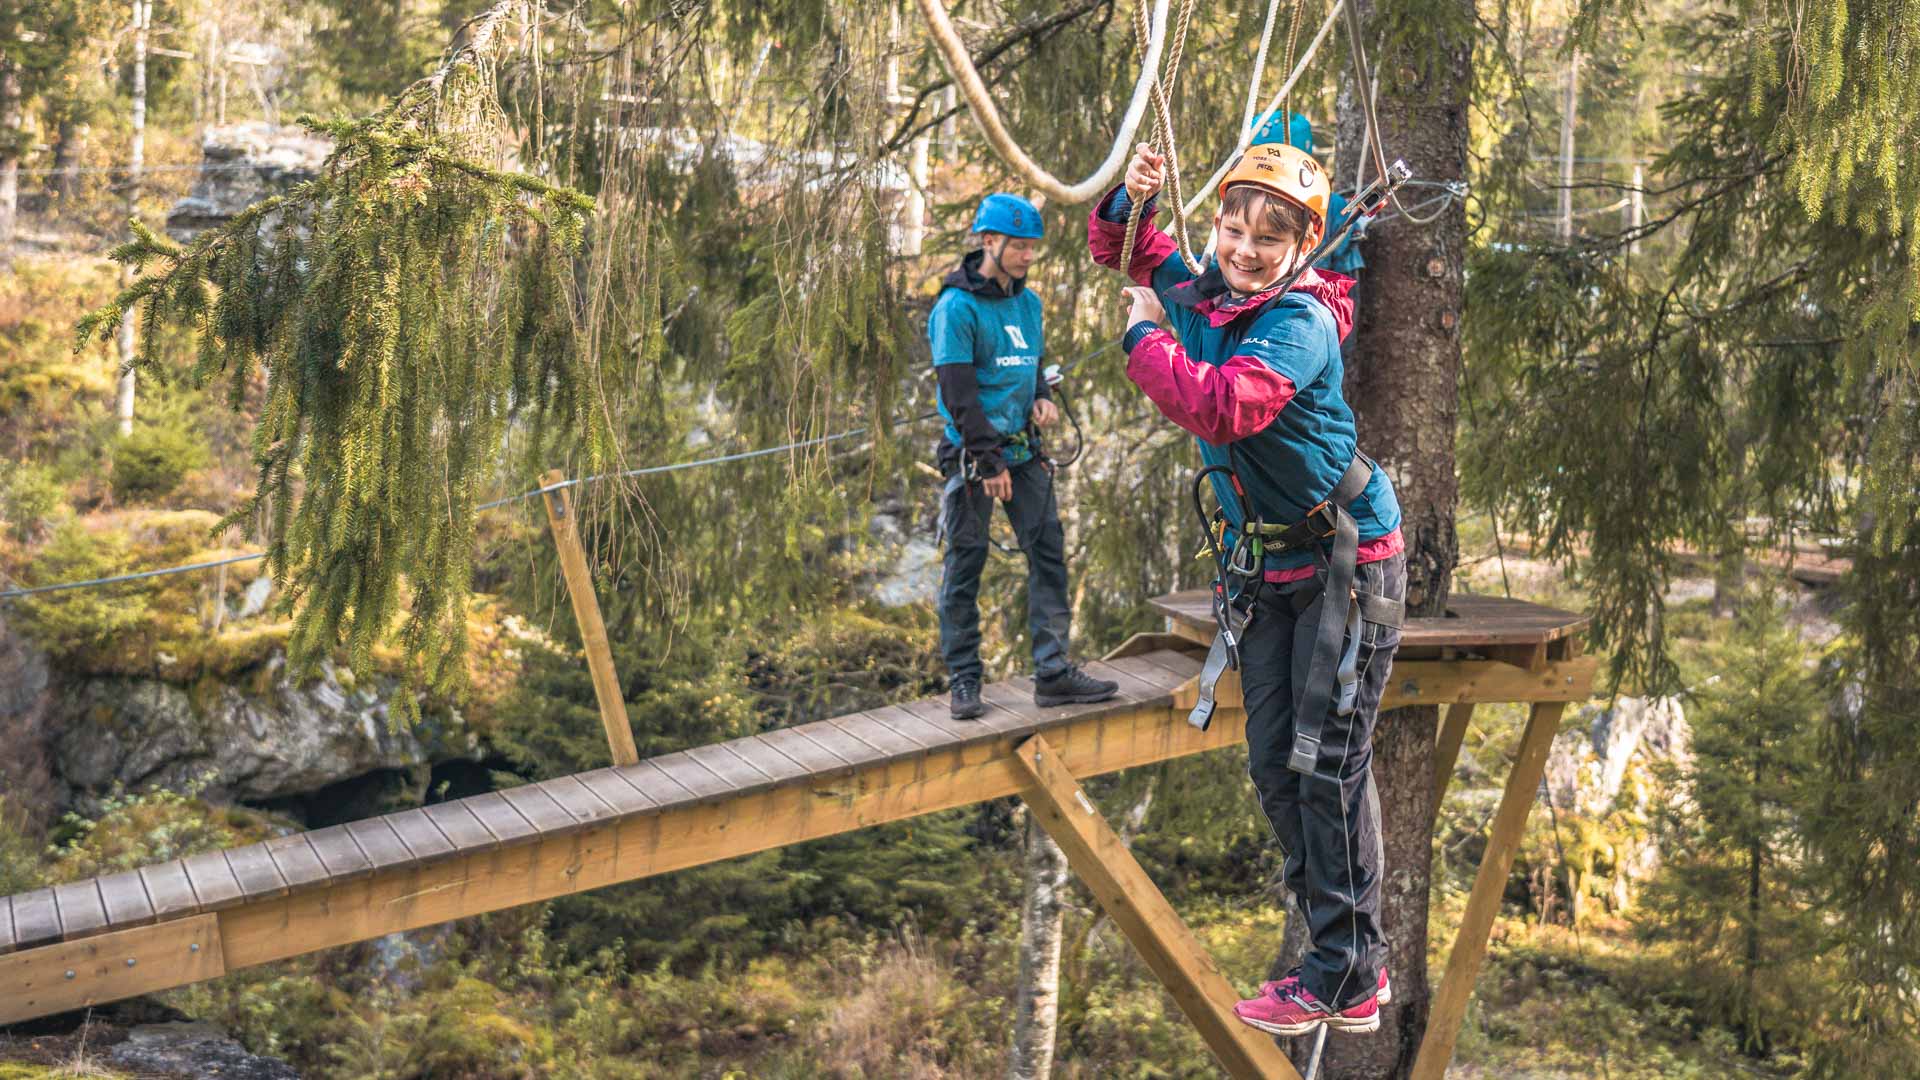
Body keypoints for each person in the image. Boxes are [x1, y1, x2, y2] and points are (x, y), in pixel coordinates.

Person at [1088, 143, 1407, 1037]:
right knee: (1275, 764)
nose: (1245, 248)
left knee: (1327, 761)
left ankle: (1345, 969)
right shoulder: (1211, 295)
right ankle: (1344, 961)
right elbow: (1122, 246)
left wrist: (1143, 336)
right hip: (1271, 567)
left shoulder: (1297, 321)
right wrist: (1133, 197)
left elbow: (1222, 405)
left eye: (1270, 236)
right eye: (1233, 227)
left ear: (1306, 243)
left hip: (1349, 561)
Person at [932, 193, 1119, 721]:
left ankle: (1053, 673)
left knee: (1049, 555)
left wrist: (1040, 394)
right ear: (989, 241)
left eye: (1033, 248)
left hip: (1023, 450)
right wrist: (989, 463)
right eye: (1018, 247)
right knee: (965, 564)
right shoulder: (955, 308)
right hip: (975, 458)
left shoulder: (1028, 303)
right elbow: (958, 395)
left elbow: (1031, 361)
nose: (1027, 257)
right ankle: (965, 680)